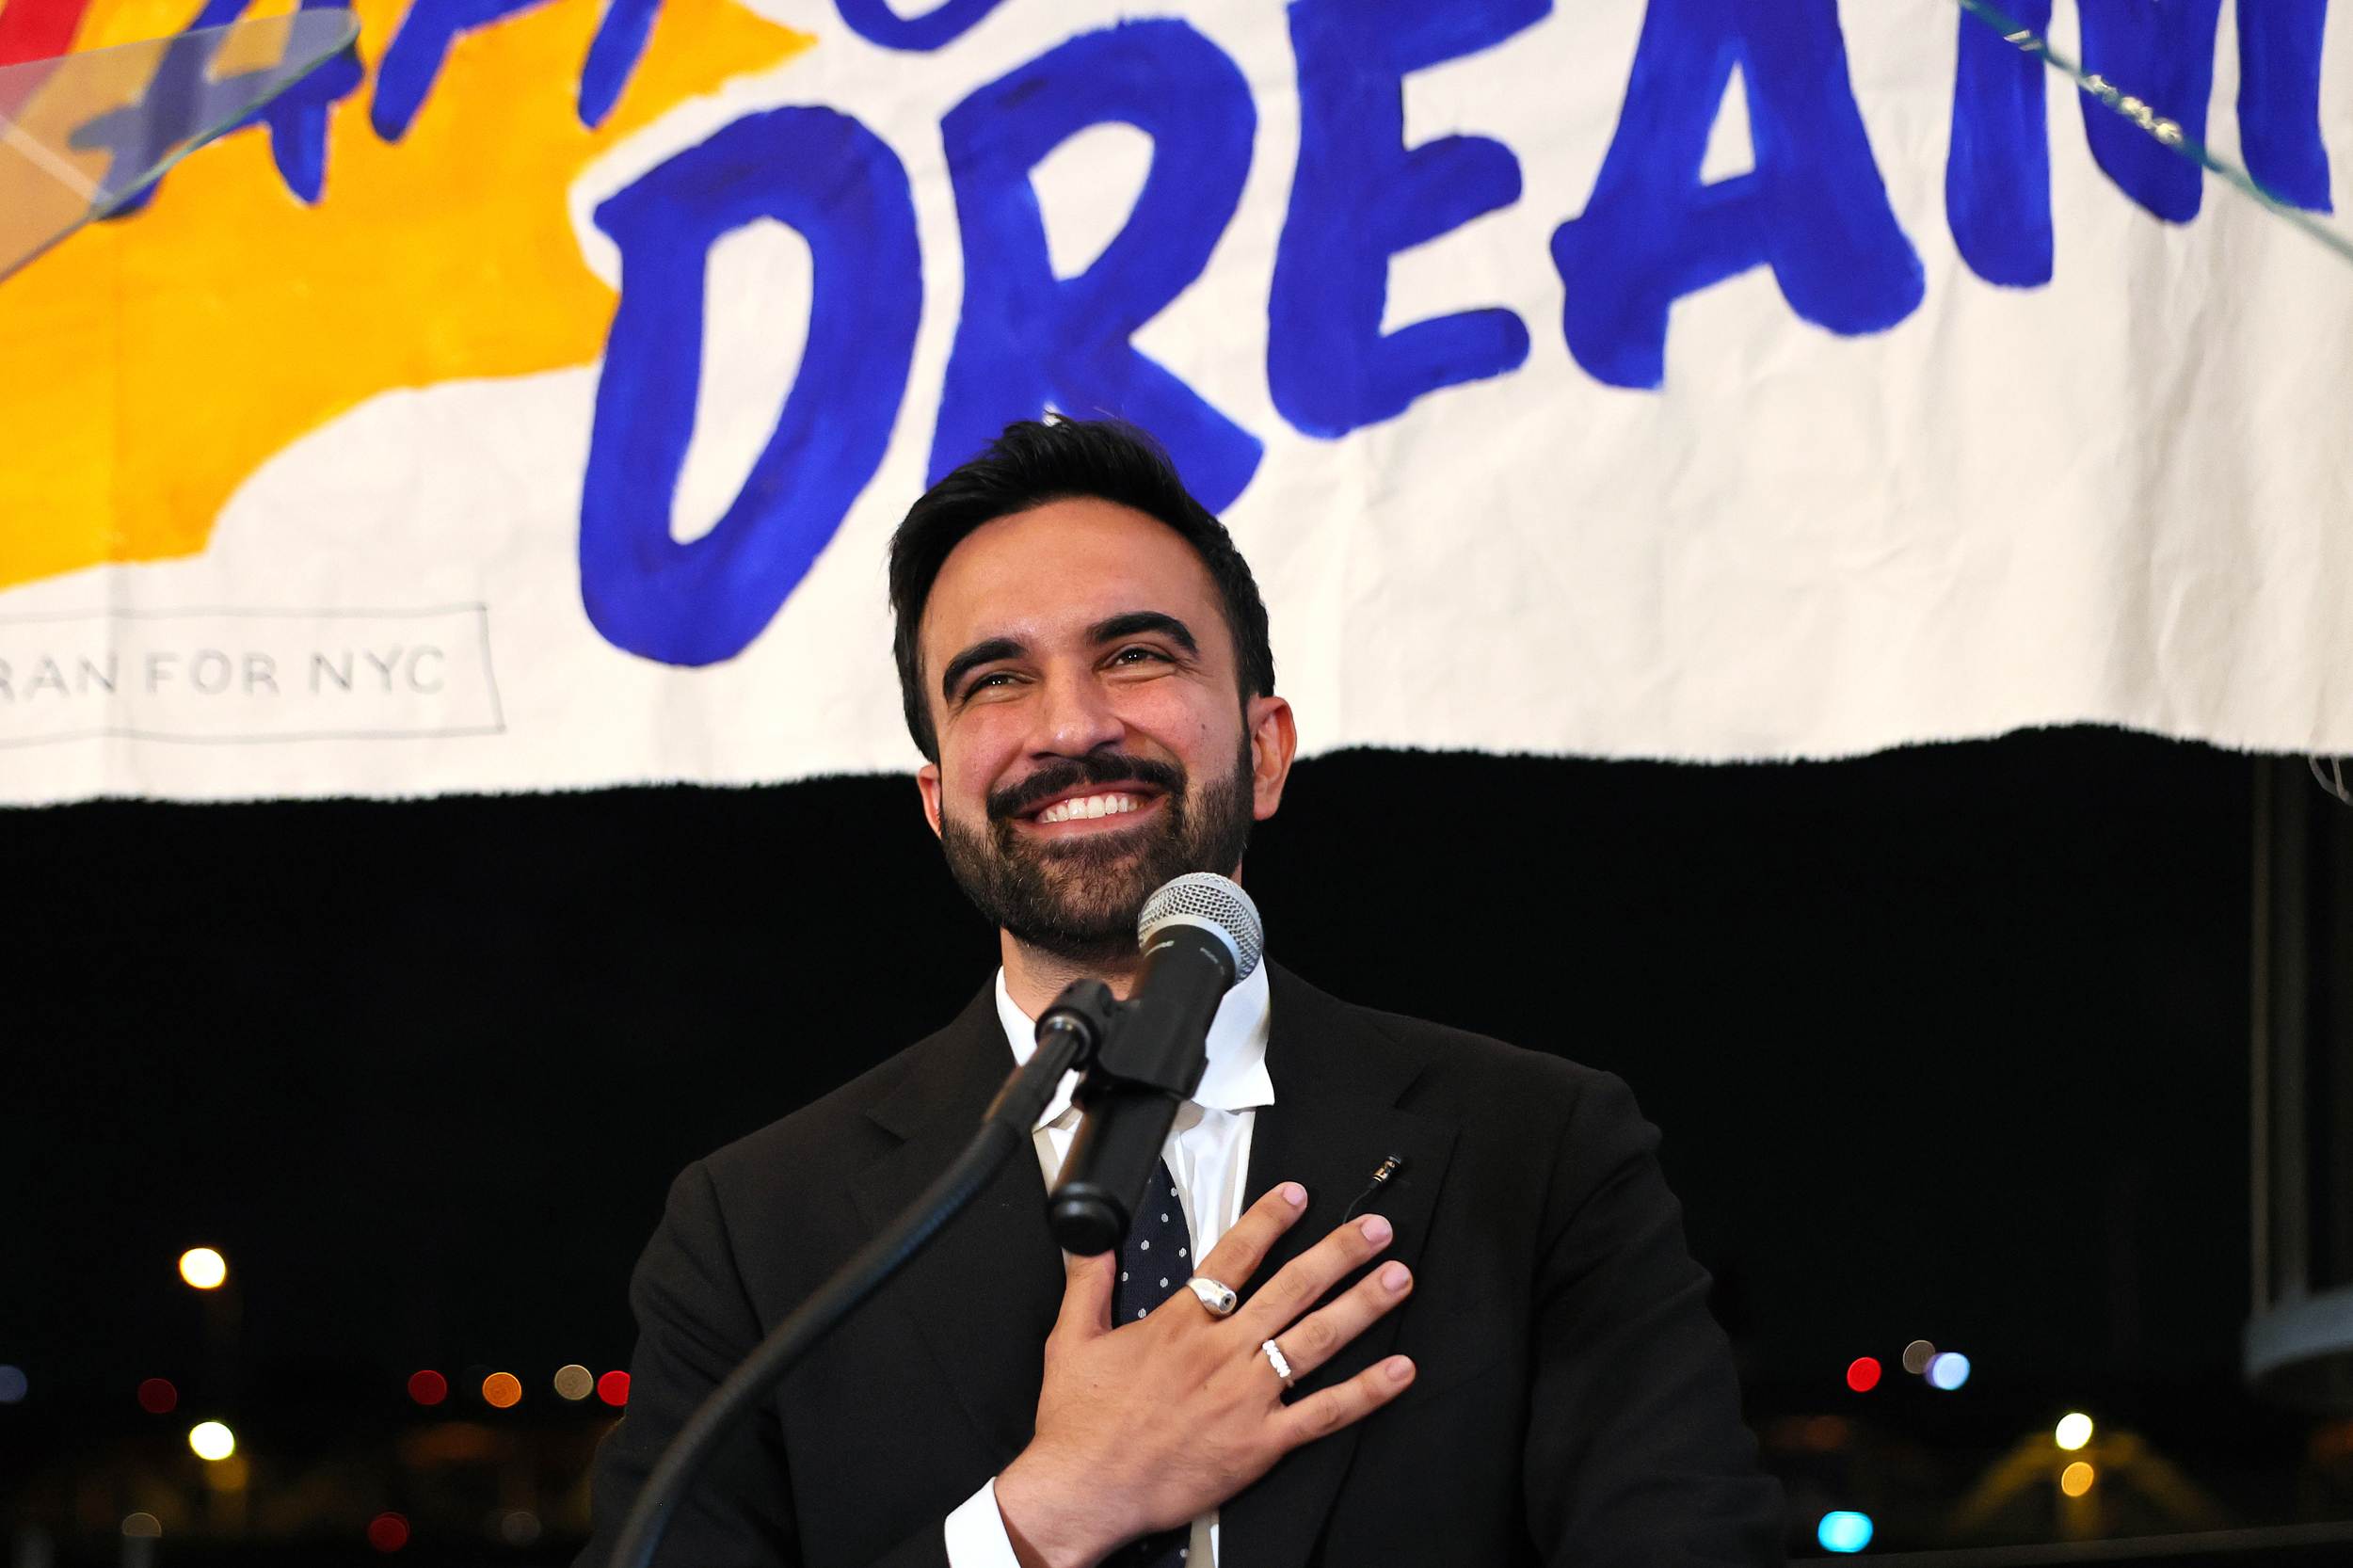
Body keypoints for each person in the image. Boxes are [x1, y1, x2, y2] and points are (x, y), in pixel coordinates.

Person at [582, 419, 1784, 1568]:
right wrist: (1048, 1512)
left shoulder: (1541, 1150)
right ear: (937, 798)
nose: (1072, 725)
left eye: (1137, 654)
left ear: (1263, 750)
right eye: (996, 679)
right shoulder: (753, 1229)